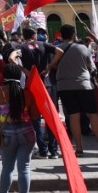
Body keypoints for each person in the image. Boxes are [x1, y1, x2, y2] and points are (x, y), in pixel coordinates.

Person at [49, 25, 98, 157]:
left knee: (74, 116)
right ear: (73, 34)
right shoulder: (82, 48)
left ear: (61, 35)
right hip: (84, 84)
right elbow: (91, 66)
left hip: (64, 86)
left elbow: (53, 66)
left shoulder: (56, 49)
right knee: (92, 115)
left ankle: (79, 148)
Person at [0, 62, 39, 193]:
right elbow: (35, 115)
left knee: (7, 168)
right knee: (24, 168)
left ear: (4, 76)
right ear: (19, 76)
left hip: (7, 133)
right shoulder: (27, 93)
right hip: (27, 132)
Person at [17, 25, 58, 159]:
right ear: (34, 35)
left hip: (32, 85)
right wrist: (49, 67)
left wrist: (24, 70)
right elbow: (60, 51)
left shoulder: (22, 47)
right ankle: (54, 150)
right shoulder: (43, 44)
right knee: (50, 117)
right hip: (47, 84)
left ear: (24, 36)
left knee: (36, 118)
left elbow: (11, 58)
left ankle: (43, 150)